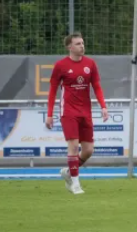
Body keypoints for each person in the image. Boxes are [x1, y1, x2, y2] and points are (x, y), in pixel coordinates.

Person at [46, 33, 108, 195]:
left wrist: (103, 106)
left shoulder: (90, 64)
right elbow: (52, 90)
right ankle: (75, 184)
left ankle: (68, 172)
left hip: (85, 111)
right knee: (73, 146)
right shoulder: (61, 65)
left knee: (88, 150)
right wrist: (49, 114)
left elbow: (97, 86)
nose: (82, 46)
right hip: (68, 111)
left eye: (83, 43)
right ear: (69, 47)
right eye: (78, 43)